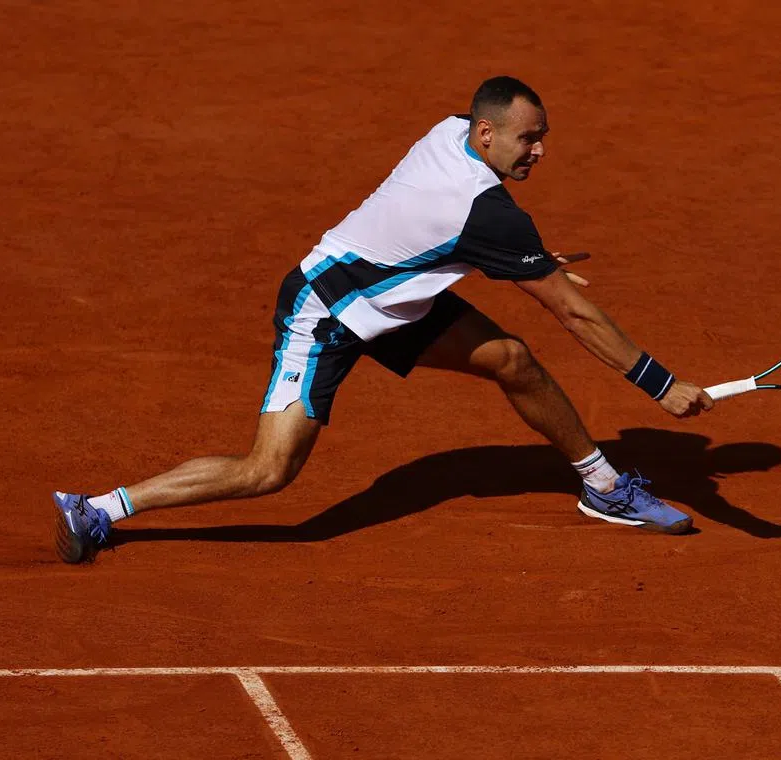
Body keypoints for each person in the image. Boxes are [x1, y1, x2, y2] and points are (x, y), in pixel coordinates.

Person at [52, 76, 715, 564]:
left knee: (512, 360)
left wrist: (535, 261)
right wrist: (661, 384)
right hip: (326, 310)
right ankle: (100, 509)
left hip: (397, 306)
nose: (539, 151)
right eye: (529, 139)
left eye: (543, 138)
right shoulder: (487, 213)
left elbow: (446, 237)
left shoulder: (449, 132)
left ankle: (602, 487)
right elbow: (573, 313)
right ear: (486, 134)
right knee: (269, 471)